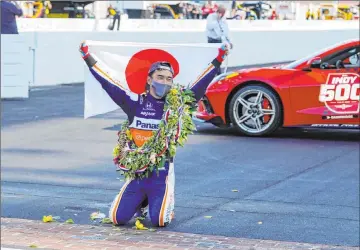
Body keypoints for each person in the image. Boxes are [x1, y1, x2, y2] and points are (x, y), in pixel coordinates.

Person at [79, 41, 229, 227]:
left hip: (162, 174)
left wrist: (218, 60)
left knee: (159, 221)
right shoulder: (134, 102)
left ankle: (165, 200)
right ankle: (140, 202)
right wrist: (88, 58)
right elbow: (108, 82)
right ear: (149, 80)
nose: (165, 82)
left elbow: (199, 86)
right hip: (137, 173)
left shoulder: (177, 105)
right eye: (160, 77)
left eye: (169, 79)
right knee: (118, 219)